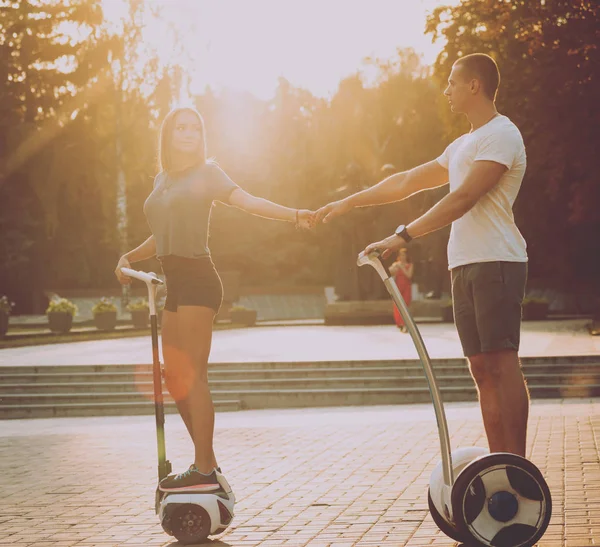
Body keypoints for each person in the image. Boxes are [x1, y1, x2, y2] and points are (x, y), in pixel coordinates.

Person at [316, 53, 530, 458]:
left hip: (497, 262)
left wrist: (403, 235)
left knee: (502, 365)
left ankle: (517, 465)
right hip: (463, 263)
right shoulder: (462, 144)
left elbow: (464, 197)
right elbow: (407, 181)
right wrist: (349, 202)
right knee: (481, 370)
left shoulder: (503, 134)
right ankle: (498, 463)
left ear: (474, 85)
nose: (446, 90)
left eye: (452, 82)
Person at [115, 106, 315, 494]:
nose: (188, 133)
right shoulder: (162, 179)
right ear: (168, 135)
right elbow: (160, 234)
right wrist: (129, 257)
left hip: (198, 280)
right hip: (174, 283)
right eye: (181, 127)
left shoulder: (208, 173)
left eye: (195, 128)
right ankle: (207, 464)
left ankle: (204, 467)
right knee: (174, 380)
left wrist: (294, 215)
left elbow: (249, 201)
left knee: (193, 377)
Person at [389, 248, 413, 332]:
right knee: (397, 305)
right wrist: (394, 267)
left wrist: (402, 267)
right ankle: (400, 324)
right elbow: (390, 272)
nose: (402, 257)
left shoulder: (409, 265)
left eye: (404, 255)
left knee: (405, 305)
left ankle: (405, 324)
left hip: (406, 287)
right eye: (401, 255)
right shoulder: (396, 264)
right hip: (398, 286)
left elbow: (409, 275)